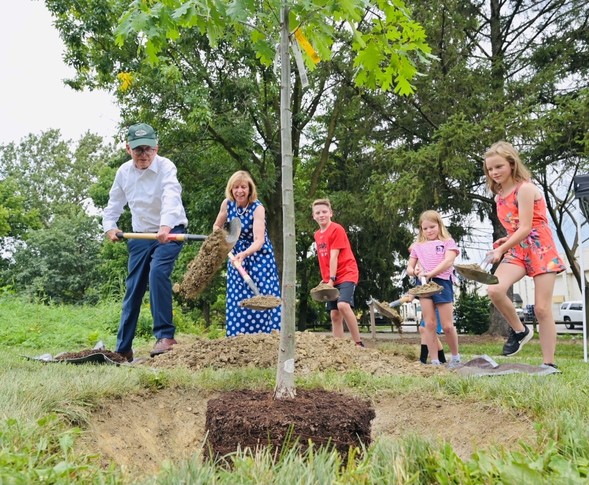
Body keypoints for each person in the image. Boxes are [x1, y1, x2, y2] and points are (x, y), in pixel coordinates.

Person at [103, 123, 188, 361]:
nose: (144, 155)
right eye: (138, 150)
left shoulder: (166, 166)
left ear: (156, 148)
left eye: (148, 149)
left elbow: (171, 195)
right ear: (128, 149)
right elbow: (113, 205)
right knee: (134, 289)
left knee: (157, 273)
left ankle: (165, 337)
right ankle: (123, 349)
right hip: (141, 236)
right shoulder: (123, 173)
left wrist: (165, 225)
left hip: (170, 231)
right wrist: (110, 227)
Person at [484, 141, 565, 367]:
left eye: (498, 166)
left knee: (541, 308)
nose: (494, 172)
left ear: (511, 164)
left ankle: (549, 364)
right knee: (495, 289)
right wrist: (505, 240)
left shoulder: (526, 188)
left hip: (541, 248)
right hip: (518, 249)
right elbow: (515, 228)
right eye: (490, 169)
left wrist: (501, 248)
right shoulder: (499, 196)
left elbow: (527, 227)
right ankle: (520, 331)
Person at [213, 171, 281, 337]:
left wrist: (244, 253)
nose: (239, 191)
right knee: (238, 294)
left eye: (243, 187)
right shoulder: (227, 204)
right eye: (236, 187)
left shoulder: (258, 208)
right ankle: (238, 337)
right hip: (236, 255)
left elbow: (259, 240)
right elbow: (216, 227)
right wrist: (225, 241)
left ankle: (267, 336)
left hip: (259, 257)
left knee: (261, 291)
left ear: (250, 189)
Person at [407, 210, 460, 366]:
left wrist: (431, 273)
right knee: (428, 324)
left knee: (447, 325)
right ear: (421, 230)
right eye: (425, 228)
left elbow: (448, 261)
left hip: (442, 283)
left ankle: (455, 357)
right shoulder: (418, 246)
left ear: (439, 225)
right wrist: (414, 271)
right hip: (424, 285)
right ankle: (434, 360)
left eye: (432, 227)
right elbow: (410, 267)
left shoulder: (448, 242)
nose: (429, 231)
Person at [312, 199, 364, 347]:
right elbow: (324, 258)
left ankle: (358, 343)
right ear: (313, 216)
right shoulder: (317, 235)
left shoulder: (337, 229)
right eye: (318, 212)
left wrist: (331, 279)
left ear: (330, 213)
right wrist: (325, 279)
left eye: (324, 212)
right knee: (334, 315)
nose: (321, 215)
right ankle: (339, 347)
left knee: (342, 305)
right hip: (330, 278)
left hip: (346, 273)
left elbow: (334, 256)